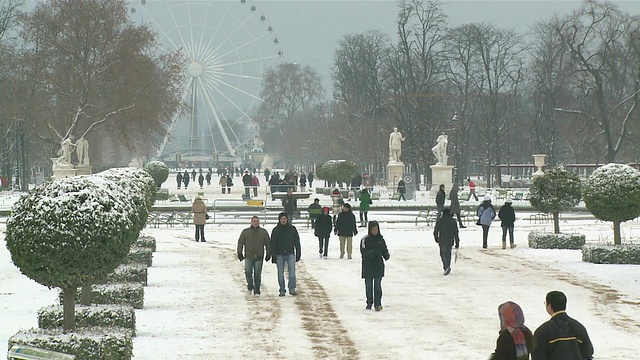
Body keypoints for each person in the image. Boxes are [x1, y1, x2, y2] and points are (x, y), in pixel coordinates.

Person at [533, 291, 594, 360]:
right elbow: (588, 352)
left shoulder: (542, 331)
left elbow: (538, 356)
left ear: (549, 306)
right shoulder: (579, 327)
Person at [360, 220, 390, 311]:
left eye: (376, 229)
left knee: (377, 286)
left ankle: (378, 304)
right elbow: (364, 253)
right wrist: (374, 252)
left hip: (378, 266)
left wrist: (386, 255)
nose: (375, 231)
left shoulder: (381, 239)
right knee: (369, 286)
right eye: (373, 229)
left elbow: (384, 249)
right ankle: (369, 303)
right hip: (368, 266)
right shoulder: (365, 240)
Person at [237, 216, 270, 296]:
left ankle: (257, 290)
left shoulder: (263, 232)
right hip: (249, 256)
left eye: (257, 221)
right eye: (254, 221)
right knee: (248, 272)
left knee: (257, 274)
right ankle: (250, 286)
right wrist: (239, 253)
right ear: (251, 222)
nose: (255, 223)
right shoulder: (245, 232)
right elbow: (240, 242)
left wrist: (269, 253)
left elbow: (268, 243)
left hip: (259, 256)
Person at [270, 212, 301, 296]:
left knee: (292, 273)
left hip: (290, 253)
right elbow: (272, 243)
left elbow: (297, 241)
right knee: (280, 273)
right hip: (279, 254)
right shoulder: (276, 230)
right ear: (279, 220)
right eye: (282, 219)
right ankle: (282, 289)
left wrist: (298, 253)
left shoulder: (292, 229)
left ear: (287, 219)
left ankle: (292, 288)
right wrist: (273, 255)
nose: (283, 220)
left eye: (285, 219)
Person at [433, 208, 459, 276]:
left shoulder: (440, 221)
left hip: (442, 239)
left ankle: (446, 267)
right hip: (450, 239)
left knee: (443, 254)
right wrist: (457, 241)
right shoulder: (453, 221)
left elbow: (435, 231)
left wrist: (436, 238)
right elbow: (456, 232)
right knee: (448, 254)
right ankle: (447, 266)